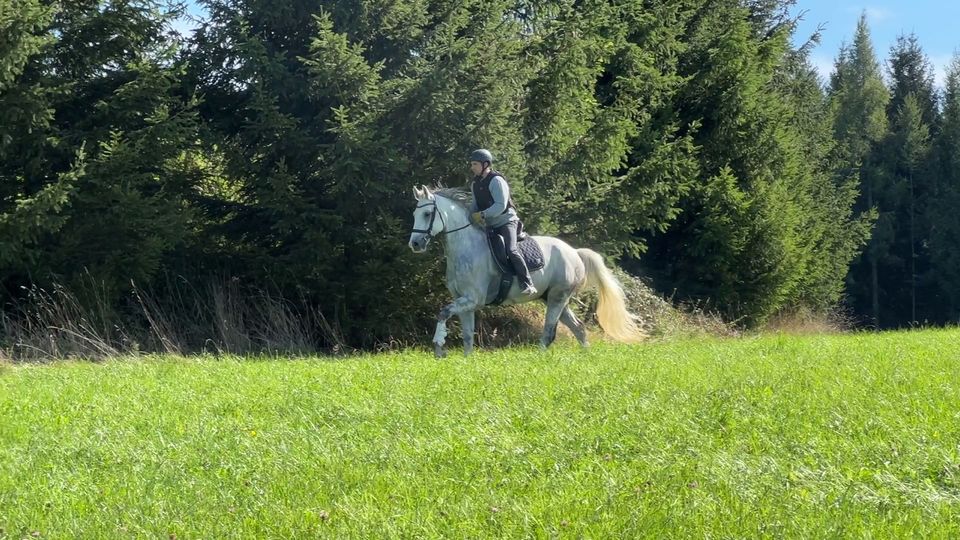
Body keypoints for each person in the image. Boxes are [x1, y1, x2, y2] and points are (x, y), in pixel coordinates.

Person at [468, 149, 538, 296]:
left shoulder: (496, 181)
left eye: (475, 164)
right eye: (472, 164)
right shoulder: (475, 183)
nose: (472, 167)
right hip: (490, 224)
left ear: (485, 164)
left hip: (506, 221)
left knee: (511, 250)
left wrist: (481, 215)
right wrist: (469, 218)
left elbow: (500, 206)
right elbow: (474, 205)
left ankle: (527, 282)